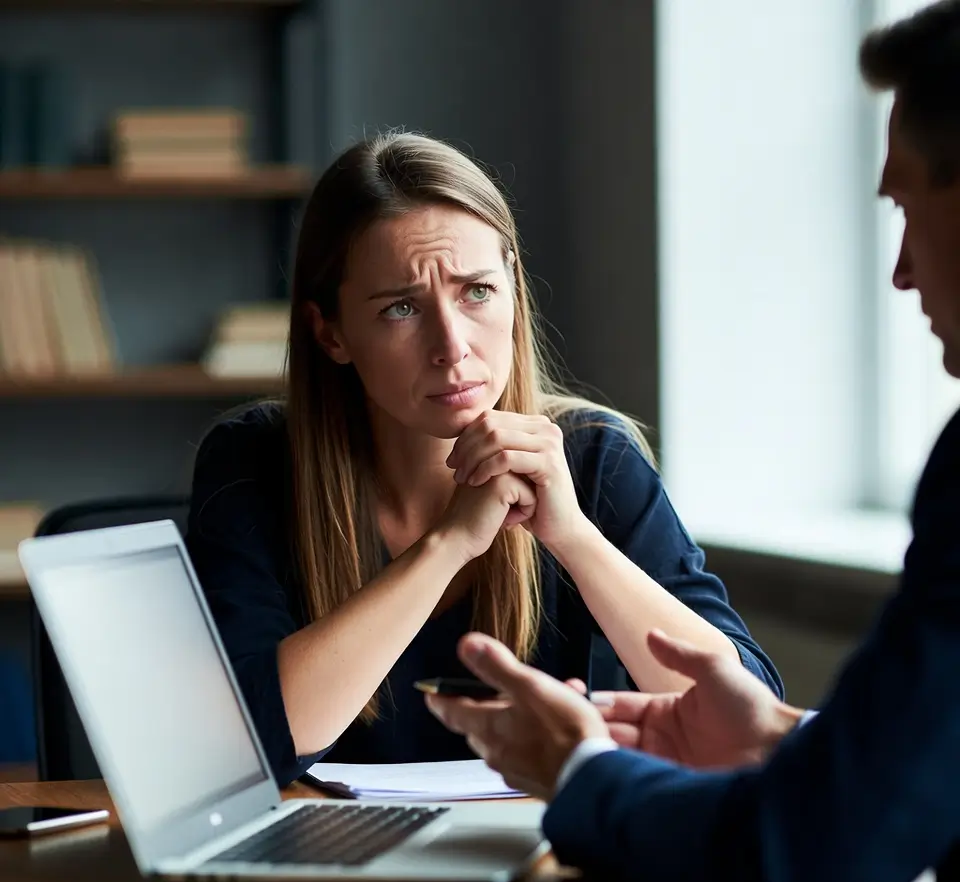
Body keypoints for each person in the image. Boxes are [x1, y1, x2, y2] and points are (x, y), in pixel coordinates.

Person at [425, 0, 960, 882]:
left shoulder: (595, 458)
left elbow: (798, 864)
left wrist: (584, 775)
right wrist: (782, 743)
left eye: (907, 203)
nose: (902, 273)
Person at [186, 131, 781, 788]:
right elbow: (250, 740)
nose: (452, 345)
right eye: (402, 308)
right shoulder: (256, 460)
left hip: (549, 863)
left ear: (513, 290)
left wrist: (573, 537)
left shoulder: (594, 457)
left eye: (476, 292)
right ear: (331, 333)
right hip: (327, 875)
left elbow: (744, 721)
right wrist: (448, 545)